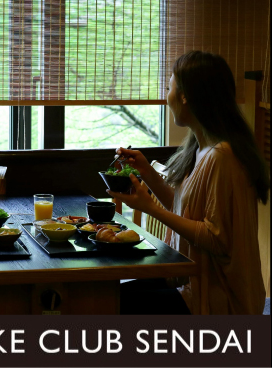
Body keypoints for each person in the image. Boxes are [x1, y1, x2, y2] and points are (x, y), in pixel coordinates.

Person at [109, 51, 269, 315]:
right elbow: (186, 210)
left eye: (169, 88)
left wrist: (150, 209)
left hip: (217, 298)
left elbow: (216, 238)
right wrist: (146, 172)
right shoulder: (200, 148)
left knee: (114, 305)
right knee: (108, 296)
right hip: (189, 280)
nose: (166, 96)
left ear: (185, 96)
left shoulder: (222, 157)